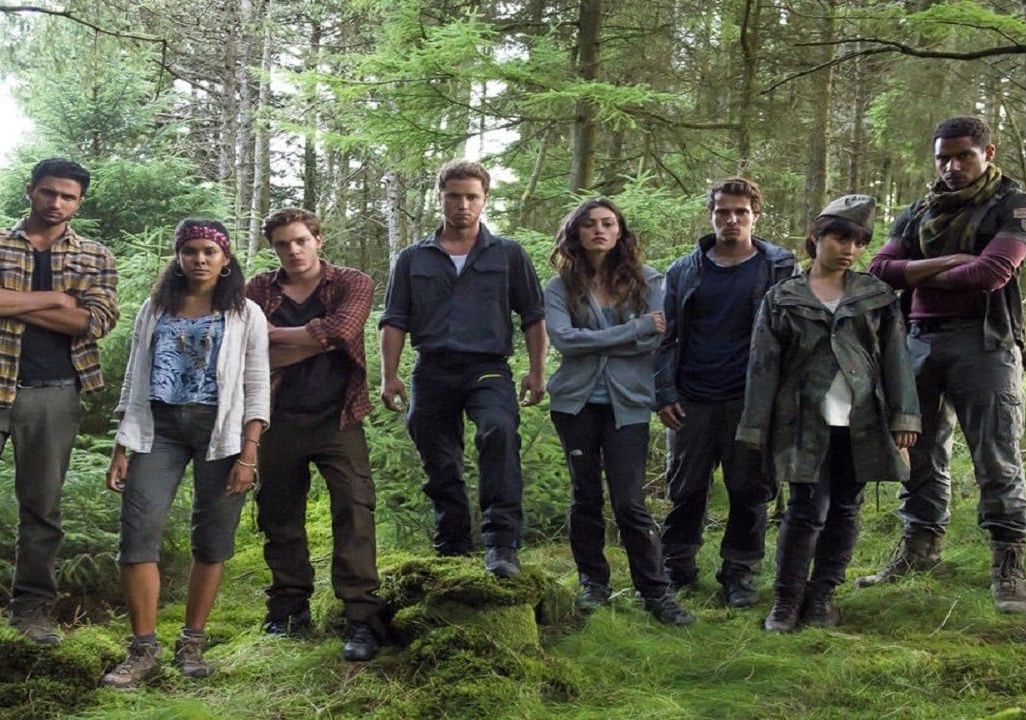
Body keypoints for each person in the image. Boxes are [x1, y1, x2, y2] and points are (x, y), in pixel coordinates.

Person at [0, 158, 118, 679]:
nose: (57, 203)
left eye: (68, 196)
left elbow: (92, 321)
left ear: (79, 202)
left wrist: (1, 299)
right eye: (49, 192)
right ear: (31, 190)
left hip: (54, 393)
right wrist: (54, 298)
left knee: (42, 509)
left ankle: (31, 609)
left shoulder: (95, 256)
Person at [859, 116, 1026, 614]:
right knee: (916, 450)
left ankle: (1009, 564)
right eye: (943, 158)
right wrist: (948, 262)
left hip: (984, 343)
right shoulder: (920, 210)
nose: (952, 167)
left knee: (996, 455)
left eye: (964, 156)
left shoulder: (1014, 204)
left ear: (988, 153)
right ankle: (920, 549)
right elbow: (879, 270)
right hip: (916, 342)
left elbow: (991, 273)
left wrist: (917, 273)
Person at [737, 195, 921, 632]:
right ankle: (786, 601)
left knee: (845, 509)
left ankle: (822, 597)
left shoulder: (876, 296)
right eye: (840, 239)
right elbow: (762, 366)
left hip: (862, 421)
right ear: (816, 237)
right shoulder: (783, 297)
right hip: (803, 421)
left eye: (859, 242)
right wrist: (755, 426)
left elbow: (897, 359)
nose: (849, 250)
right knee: (806, 509)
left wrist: (905, 418)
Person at [100, 219, 270, 688]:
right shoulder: (155, 308)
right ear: (178, 256)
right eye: (190, 250)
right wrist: (122, 444)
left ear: (225, 258)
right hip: (159, 430)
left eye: (209, 251)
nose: (199, 259)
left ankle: (192, 642)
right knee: (138, 534)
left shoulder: (245, 313)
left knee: (212, 538)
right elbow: (134, 376)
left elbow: (257, 385)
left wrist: (248, 454)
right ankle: (143, 649)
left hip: (222, 433)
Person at [379, 159, 547, 578]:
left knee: (499, 432)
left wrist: (537, 371)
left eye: (472, 196)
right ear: (441, 198)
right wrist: (389, 375)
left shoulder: (508, 254)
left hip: (487, 368)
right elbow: (394, 319)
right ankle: (453, 545)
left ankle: (501, 546)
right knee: (438, 455)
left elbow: (533, 315)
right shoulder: (413, 258)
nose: (463, 205)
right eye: (454, 196)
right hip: (432, 368)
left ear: (485, 198)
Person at [245, 208, 387, 662]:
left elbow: (345, 329)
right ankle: (288, 609)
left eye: (301, 240)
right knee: (279, 512)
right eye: (283, 244)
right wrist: (317, 341)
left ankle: (361, 616)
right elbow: (249, 349)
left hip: (338, 416)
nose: (293, 250)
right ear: (273, 248)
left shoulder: (351, 282)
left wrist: (278, 338)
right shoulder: (256, 290)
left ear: (318, 240)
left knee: (354, 508)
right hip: (277, 416)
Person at [544, 198, 694, 626]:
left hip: (627, 405)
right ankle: (593, 584)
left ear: (620, 232)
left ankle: (656, 591)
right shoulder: (559, 287)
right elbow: (564, 341)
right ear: (576, 233)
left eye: (608, 223)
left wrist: (604, 339)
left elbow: (655, 340)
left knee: (629, 501)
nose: (599, 230)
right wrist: (634, 329)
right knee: (585, 496)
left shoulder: (649, 280)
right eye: (590, 224)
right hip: (575, 404)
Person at [652, 177, 797, 607]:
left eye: (740, 212)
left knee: (749, 490)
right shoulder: (684, 270)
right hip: (692, 398)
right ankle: (676, 567)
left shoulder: (779, 268)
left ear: (756, 215)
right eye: (722, 212)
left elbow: (794, 336)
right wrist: (664, 392)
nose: (731, 219)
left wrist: (782, 401)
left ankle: (739, 573)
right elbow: (665, 337)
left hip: (751, 399)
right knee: (686, 489)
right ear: (711, 215)